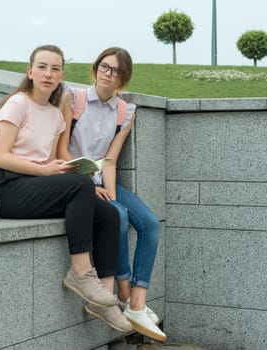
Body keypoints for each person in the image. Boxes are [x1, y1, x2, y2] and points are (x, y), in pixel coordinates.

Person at [0, 45, 132, 333]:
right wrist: (47, 171)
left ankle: (103, 301)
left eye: (55, 69)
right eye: (41, 67)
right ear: (30, 72)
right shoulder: (17, 104)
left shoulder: (55, 114)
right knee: (82, 186)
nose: (48, 73)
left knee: (109, 214)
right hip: (8, 189)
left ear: (62, 75)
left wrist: (79, 171)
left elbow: (53, 158)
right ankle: (80, 272)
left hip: (37, 187)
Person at [58, 47, 166, 342]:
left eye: (116, 71)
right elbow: (62, 148)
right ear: (95, 68)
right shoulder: (74, 98)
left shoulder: (124, 111)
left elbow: (111, 159)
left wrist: (107, 189)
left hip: (102, 180)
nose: (109, 74)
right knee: (116, 214)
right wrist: (88, 184)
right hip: (75, 181)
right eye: (105, 67)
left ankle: (137, 303)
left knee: (150, 222)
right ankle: (121, 289)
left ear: (123, 78)